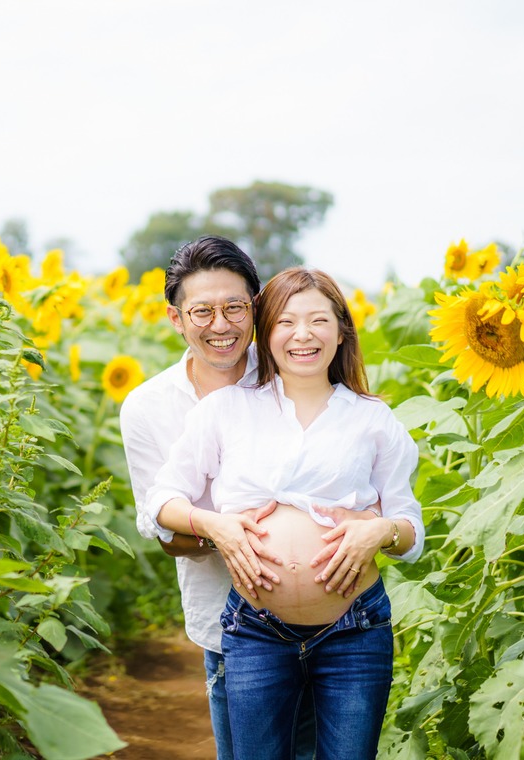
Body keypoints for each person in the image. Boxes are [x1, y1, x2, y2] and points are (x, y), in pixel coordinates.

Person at [146, 267, 425, 760]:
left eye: (319, 320)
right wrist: (215, 526)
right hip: (257, 629)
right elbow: (162, 500)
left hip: (354, 630)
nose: (303, 335)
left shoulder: (373, 418)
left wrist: (380, 531)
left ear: (342, 333)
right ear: (265, 332)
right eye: (286, 322)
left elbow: (410, 530)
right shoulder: (226, 411)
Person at [121, 236, 326, 760]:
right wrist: (224, 532)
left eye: (235, 307)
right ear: (175, 318)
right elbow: (167, 535)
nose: (220, 325)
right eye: (202, 311)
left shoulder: (295, 374)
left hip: (328, 613)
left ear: (255, 307)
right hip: (228, 622)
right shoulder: (148, 408)